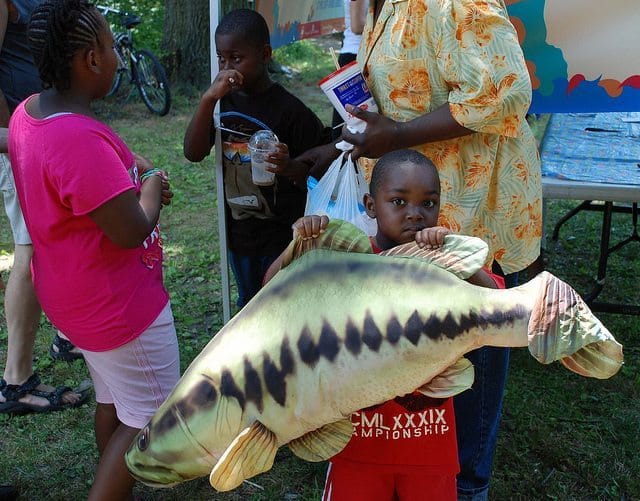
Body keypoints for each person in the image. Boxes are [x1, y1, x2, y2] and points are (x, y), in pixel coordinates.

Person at [300, 1, 542, 498]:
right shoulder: (386, 6)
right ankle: (402, 456)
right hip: (406, 228)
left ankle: (466, 486)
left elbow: (504, 92)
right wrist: (351, 144)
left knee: (472, 348)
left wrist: (399, 136)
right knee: (421, 352)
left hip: (463, 220)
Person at [8, 1, 179, 498]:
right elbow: (130, 229)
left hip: (74, 298)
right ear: (90, 60)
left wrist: (128, 166)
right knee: (150, 416)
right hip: (119, 309)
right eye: (109, 47)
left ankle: (115, 485)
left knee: (118, 399)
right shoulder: (77, 137)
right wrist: (149, 183)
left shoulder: (31, 112)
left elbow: (74, 164)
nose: (119, 58)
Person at [266, 149, 504, 501]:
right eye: (398, 201)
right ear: (370, 205)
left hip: (430, 445)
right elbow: (270, 296)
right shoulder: (350, 263)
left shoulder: (445, 265)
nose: (415, 214)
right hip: (356, 447)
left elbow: (498, 302)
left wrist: (456, 260)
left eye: (428, 203)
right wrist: (299, 249)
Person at [183, 8, 330, 309]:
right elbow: (193, 153)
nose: (227, 69)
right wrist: (208, 99)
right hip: (239, 235)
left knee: (285, 304)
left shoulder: (289, 110)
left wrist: (289, 166)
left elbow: (320, 163)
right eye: (221, 59)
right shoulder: (220, 103)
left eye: (236, 59)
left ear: (265, 54)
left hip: (282, 233)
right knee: (250, 305)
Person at [0, 0, 85, 416]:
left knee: (59, 239)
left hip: (51, 133)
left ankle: (68, 334)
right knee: (30, 248)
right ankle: (15, 380)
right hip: (25, 138)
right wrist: (14, 137)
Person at [331, 0, 367, 137]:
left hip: (363, 54)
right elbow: (357, 26)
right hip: (355, 56)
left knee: (360, 123)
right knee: (348, 127)